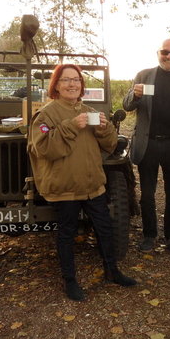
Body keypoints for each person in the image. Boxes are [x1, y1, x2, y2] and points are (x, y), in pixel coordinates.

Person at [28, 64, 137, 302]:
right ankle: (70, 281)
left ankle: (112, 271)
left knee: (105, 228)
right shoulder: (46, 115)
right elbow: (44, 148)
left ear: (82, 85)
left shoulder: (90, 110)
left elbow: (109, 145)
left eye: (76, 80)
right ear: (56, 85)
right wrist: (70, 126)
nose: (72, 84)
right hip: (64, 188)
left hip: (92, 185)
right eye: (66, 80)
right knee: (66, 233)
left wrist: (104, 128)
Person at [123, 39, 170, 255]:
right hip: (149, 144)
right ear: (158, 53)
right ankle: (149, 235)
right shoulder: (144, 75)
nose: (169, 57)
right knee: (147, 194)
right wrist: (135, 95)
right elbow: (127, 105)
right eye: (165, 52)